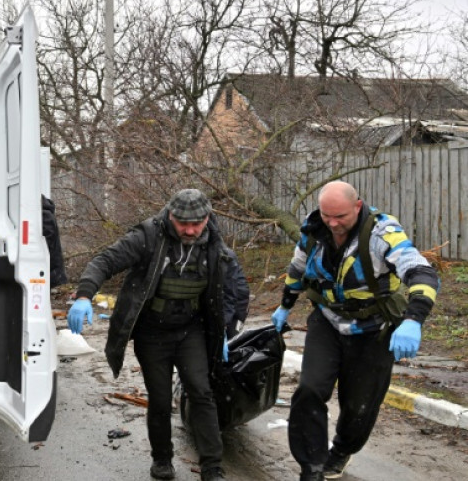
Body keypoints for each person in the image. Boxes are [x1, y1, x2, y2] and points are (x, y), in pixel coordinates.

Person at [270, 180, 439, 481]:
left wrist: (413, 319)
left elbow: (421, 272)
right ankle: (311, 466)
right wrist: (285, 305)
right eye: (327, 215)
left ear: (357, 206)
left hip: (373, 329)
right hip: (327, 321)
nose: (333, 224)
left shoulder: (382, 233)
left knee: (359, 407)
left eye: (340, 216)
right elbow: (298, 268)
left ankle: (341, 451)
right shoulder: (314, 229)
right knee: (309, 390)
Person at [69, 189, 232, 481]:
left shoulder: (214, 242)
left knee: (201, 392)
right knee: (159, 398)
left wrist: (229, 328)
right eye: (183, 224)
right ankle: (162, 459)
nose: (190, 230)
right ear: (170, 214)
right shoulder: (148, 235)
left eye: (196, 224)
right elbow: (105, 261)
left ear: (207, 218)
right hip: (152, 331)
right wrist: (84, 295)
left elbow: (231, 285)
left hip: (190, 329)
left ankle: (212, 467)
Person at [222, 244, 250, 339]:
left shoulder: (224, 255)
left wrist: (225, 322)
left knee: (233, 339)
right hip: (232, 302)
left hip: (238, 305)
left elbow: (233, 292)